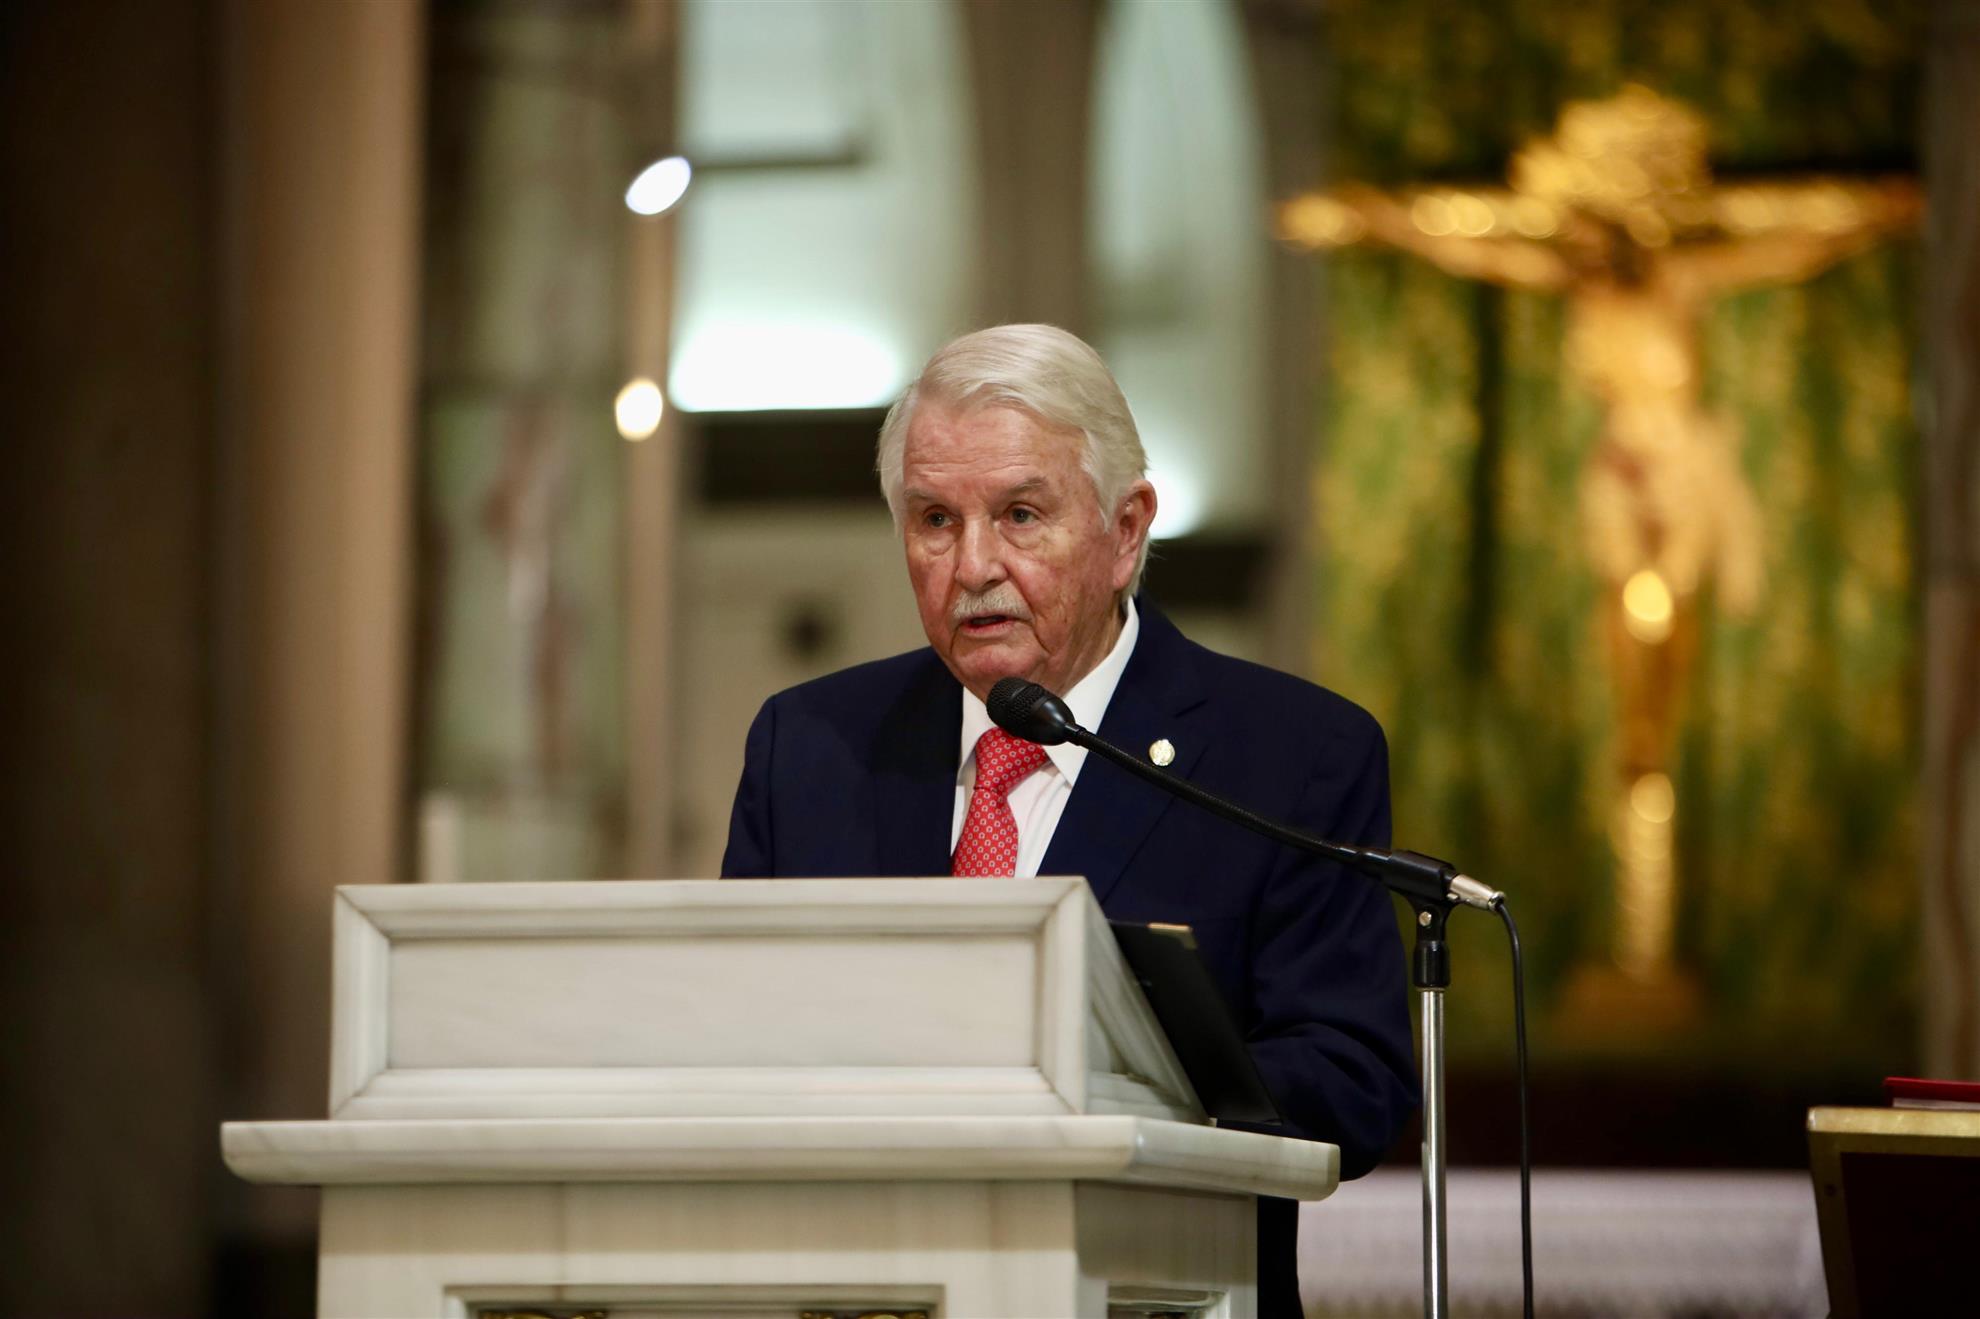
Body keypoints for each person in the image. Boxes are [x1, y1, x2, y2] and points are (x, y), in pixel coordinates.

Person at [722, 324, 1418, 1316]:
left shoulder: (1291, 756)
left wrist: (1100, 1087)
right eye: (934, 519)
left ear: (1126, 530)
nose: (973, 564)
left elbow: (1354, 1082)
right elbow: (736, 1047)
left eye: (1019, 514)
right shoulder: (809, 748)